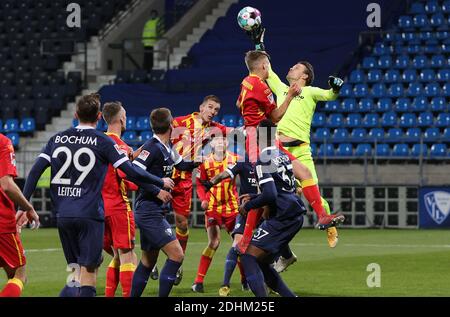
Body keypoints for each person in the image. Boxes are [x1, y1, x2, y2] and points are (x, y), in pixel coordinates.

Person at [22, 93, 174, 297]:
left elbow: (34, 173)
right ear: (99, 116)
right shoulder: (102, 140)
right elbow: (130, 171)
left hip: (63, 215)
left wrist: (24, 206)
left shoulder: (56, 139)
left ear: (75, 114)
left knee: (75, 273)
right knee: (91, 273)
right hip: (90, 214)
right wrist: (159, 181)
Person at [247, 27, 345, 248]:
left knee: (315, 195)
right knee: (273, 197)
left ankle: (329, 225)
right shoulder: (281, 88)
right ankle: (275, 247)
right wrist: (258, 44)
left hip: (301, 149)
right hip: (279, 148)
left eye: (296, 67)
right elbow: (265, 68)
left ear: (304, 76)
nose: (291, 67)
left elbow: (329, 95)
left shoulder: (310, 91)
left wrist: (336, 88)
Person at [130, 108, 197, 297]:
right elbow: (134, 170)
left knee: (147, 262)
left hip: (156, 211)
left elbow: (182, 164)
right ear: (171, 124)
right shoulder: (152, 146)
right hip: (148, 211)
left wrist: (203, 159)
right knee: (177, 255)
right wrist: (158, 187)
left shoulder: (167, 147)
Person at [163, 95, 228, 285]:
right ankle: (153, 258)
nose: (212, 112)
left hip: (183, 182)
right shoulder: (180, 122)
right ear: (201, 107)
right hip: (164, 176)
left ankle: (178, 261)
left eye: (216, 110)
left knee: (182, 224)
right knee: (153, 219)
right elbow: (160, 136)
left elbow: (236, 131)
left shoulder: (215, 129)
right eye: (210, 107)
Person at [239, 119, 306, 297]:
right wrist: (255, 196)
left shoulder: (262, 160)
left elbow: (270, 195)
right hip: (295, 213)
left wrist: (249, 205)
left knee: (247, 256)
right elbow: (281, 188)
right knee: (261, 261)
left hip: (283, 216)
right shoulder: (282, 155)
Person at [191, 136, 245, 294]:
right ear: (212, 144)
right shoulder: (205, 162)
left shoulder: (236, 159)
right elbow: (200, 184)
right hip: (213, 207)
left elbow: (249, 175)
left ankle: (244, 280)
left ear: (227, 143)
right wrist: (203, 200)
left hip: (232, 208)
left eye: (223, 140)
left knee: (239, 245)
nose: (221, 142)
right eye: (217, 140)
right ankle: (198, 282)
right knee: (214, 242)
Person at [101, 102, 139, 297]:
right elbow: (128, 179)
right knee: (127, 255)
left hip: (98, 209)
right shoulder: (121, 146)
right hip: (117, 206)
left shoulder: (97, 141)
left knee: (115, 255)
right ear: (121, 119)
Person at [0, 133, 39, 297]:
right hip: (1, 221)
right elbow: (7, 185)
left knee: (11, 272)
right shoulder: (2, 142)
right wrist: (28, 207)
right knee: (19, 274)